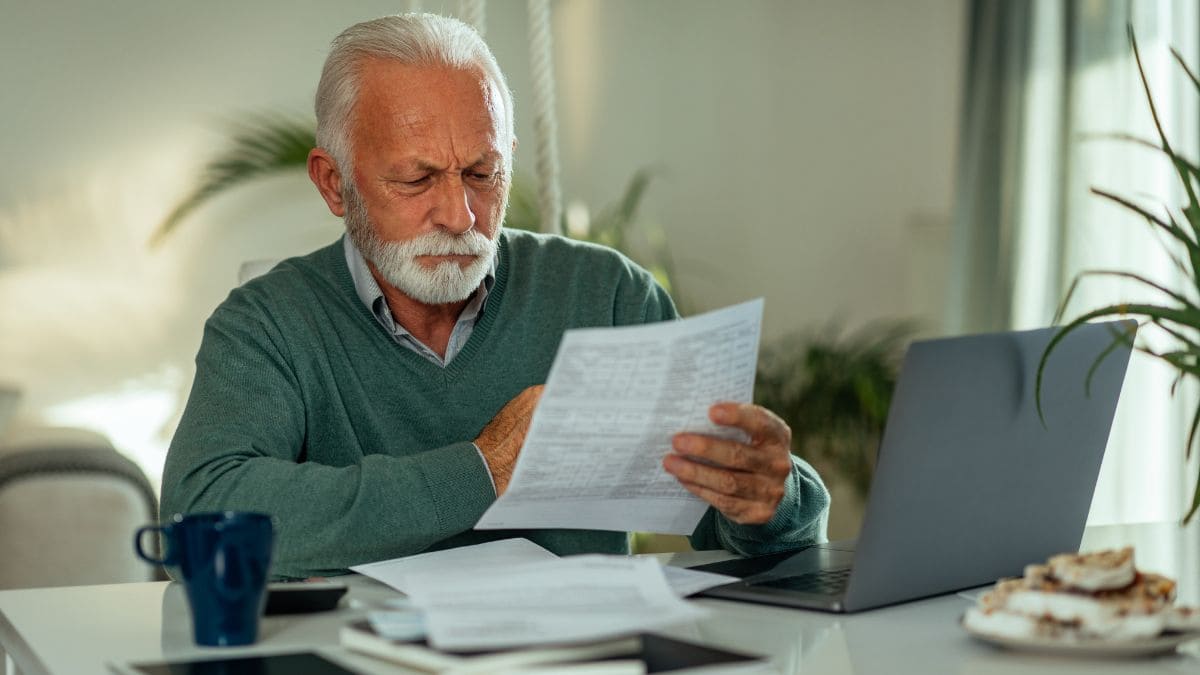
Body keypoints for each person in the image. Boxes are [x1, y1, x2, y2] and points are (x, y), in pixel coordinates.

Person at [161, 13, 829, 579]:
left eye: (483, 174)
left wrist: (771, 499)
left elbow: (735, 536)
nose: (461, 215)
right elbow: (198, 519)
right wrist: (482, 470)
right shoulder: (268, 323)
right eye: (417, 180)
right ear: (334, 184)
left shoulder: (609, 296)